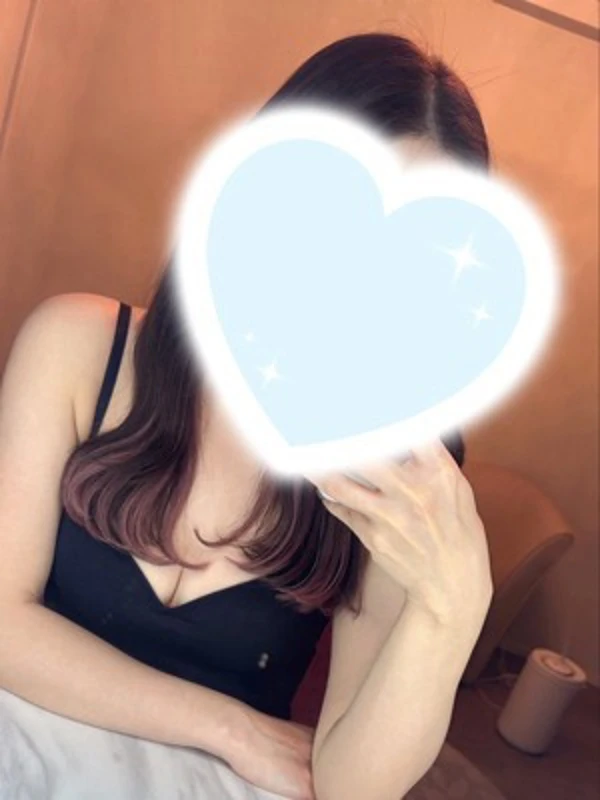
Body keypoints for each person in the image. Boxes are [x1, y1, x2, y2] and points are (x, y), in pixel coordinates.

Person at [0, 33, 493, 800]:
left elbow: (350, 786)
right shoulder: (78, 347)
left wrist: (453, 609)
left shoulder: (400, 469)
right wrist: (229, 726)